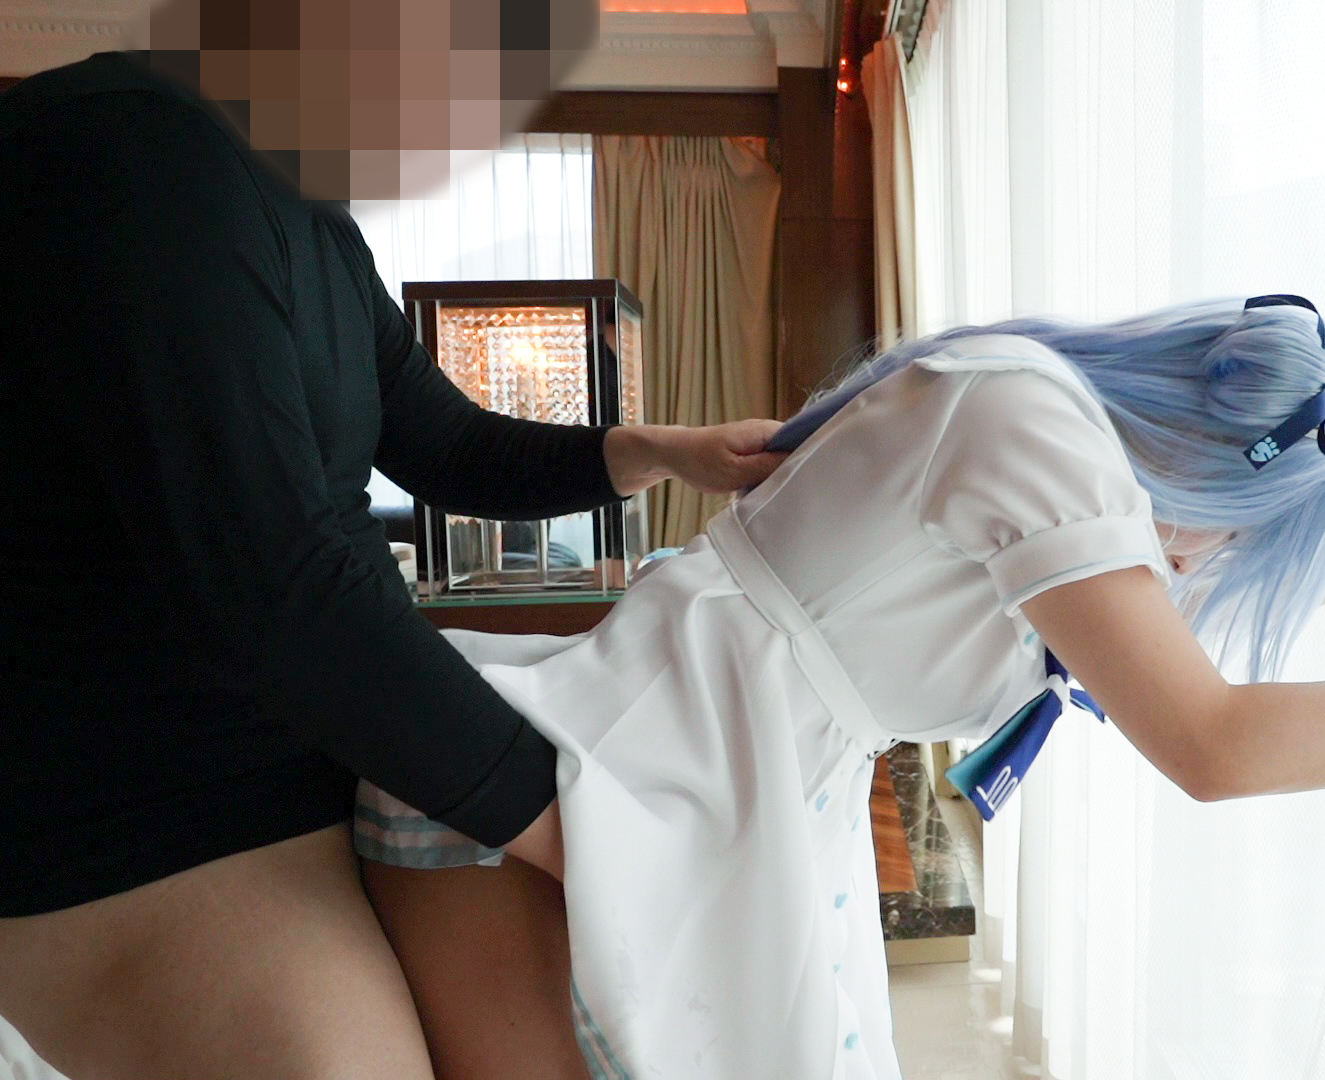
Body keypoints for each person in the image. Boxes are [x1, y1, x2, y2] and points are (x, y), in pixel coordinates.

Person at [355, 299, 1325, 1080]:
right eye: (1234, 532)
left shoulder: (1049, 434)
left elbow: (1162, 625)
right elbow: (1215, 741)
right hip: (641, 775)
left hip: (721, 787)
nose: (1207, 559)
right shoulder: (1040, 431)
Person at [0, 6, 788, 1076]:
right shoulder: (131, 154)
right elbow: (282, 588)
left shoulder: (300, 201)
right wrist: (589, 834)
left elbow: (445, 441)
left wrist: (658, 451)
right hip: (147, 813)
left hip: (315, 757)